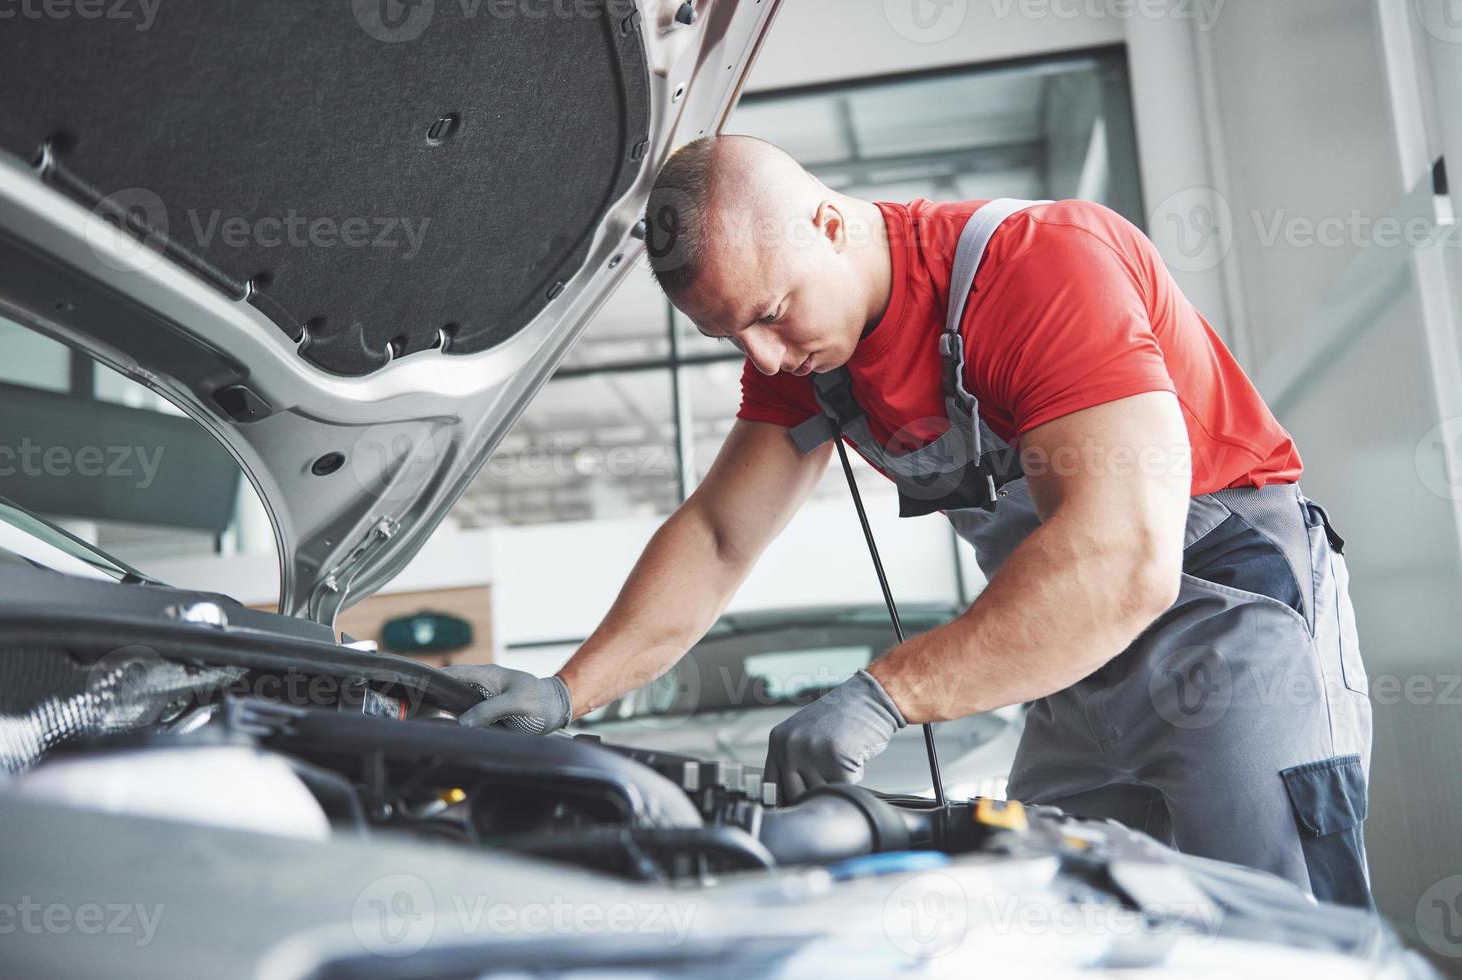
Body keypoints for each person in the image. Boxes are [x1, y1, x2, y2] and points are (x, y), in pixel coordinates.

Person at [447, 136, 1374, 908]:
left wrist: (886, 693)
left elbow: (1124, 562)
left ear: (828, 221)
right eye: (732, 337)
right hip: (1070, 661)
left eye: (769, 315)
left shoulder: (1040, 268)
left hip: (1226, 620)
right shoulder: (806, 360)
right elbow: (719, 537)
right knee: (1072, 917)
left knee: (1284, 923)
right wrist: (570, 690)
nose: (762, 354)